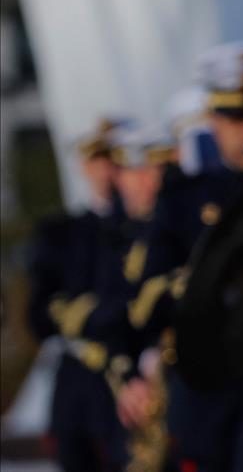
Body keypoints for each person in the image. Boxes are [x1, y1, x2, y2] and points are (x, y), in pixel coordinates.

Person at [124, 41, 243, 472]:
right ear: (214, 120)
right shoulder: (183, 196)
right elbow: (148, 294)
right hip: (209, 387)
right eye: (236, 118)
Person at [26, 118, 131, 472]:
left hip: (131, 376)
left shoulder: (146, 228)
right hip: (81, 383)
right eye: (99, 161)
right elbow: (39, 315)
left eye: (116, 160)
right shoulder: (62, 233)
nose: (108, 171)